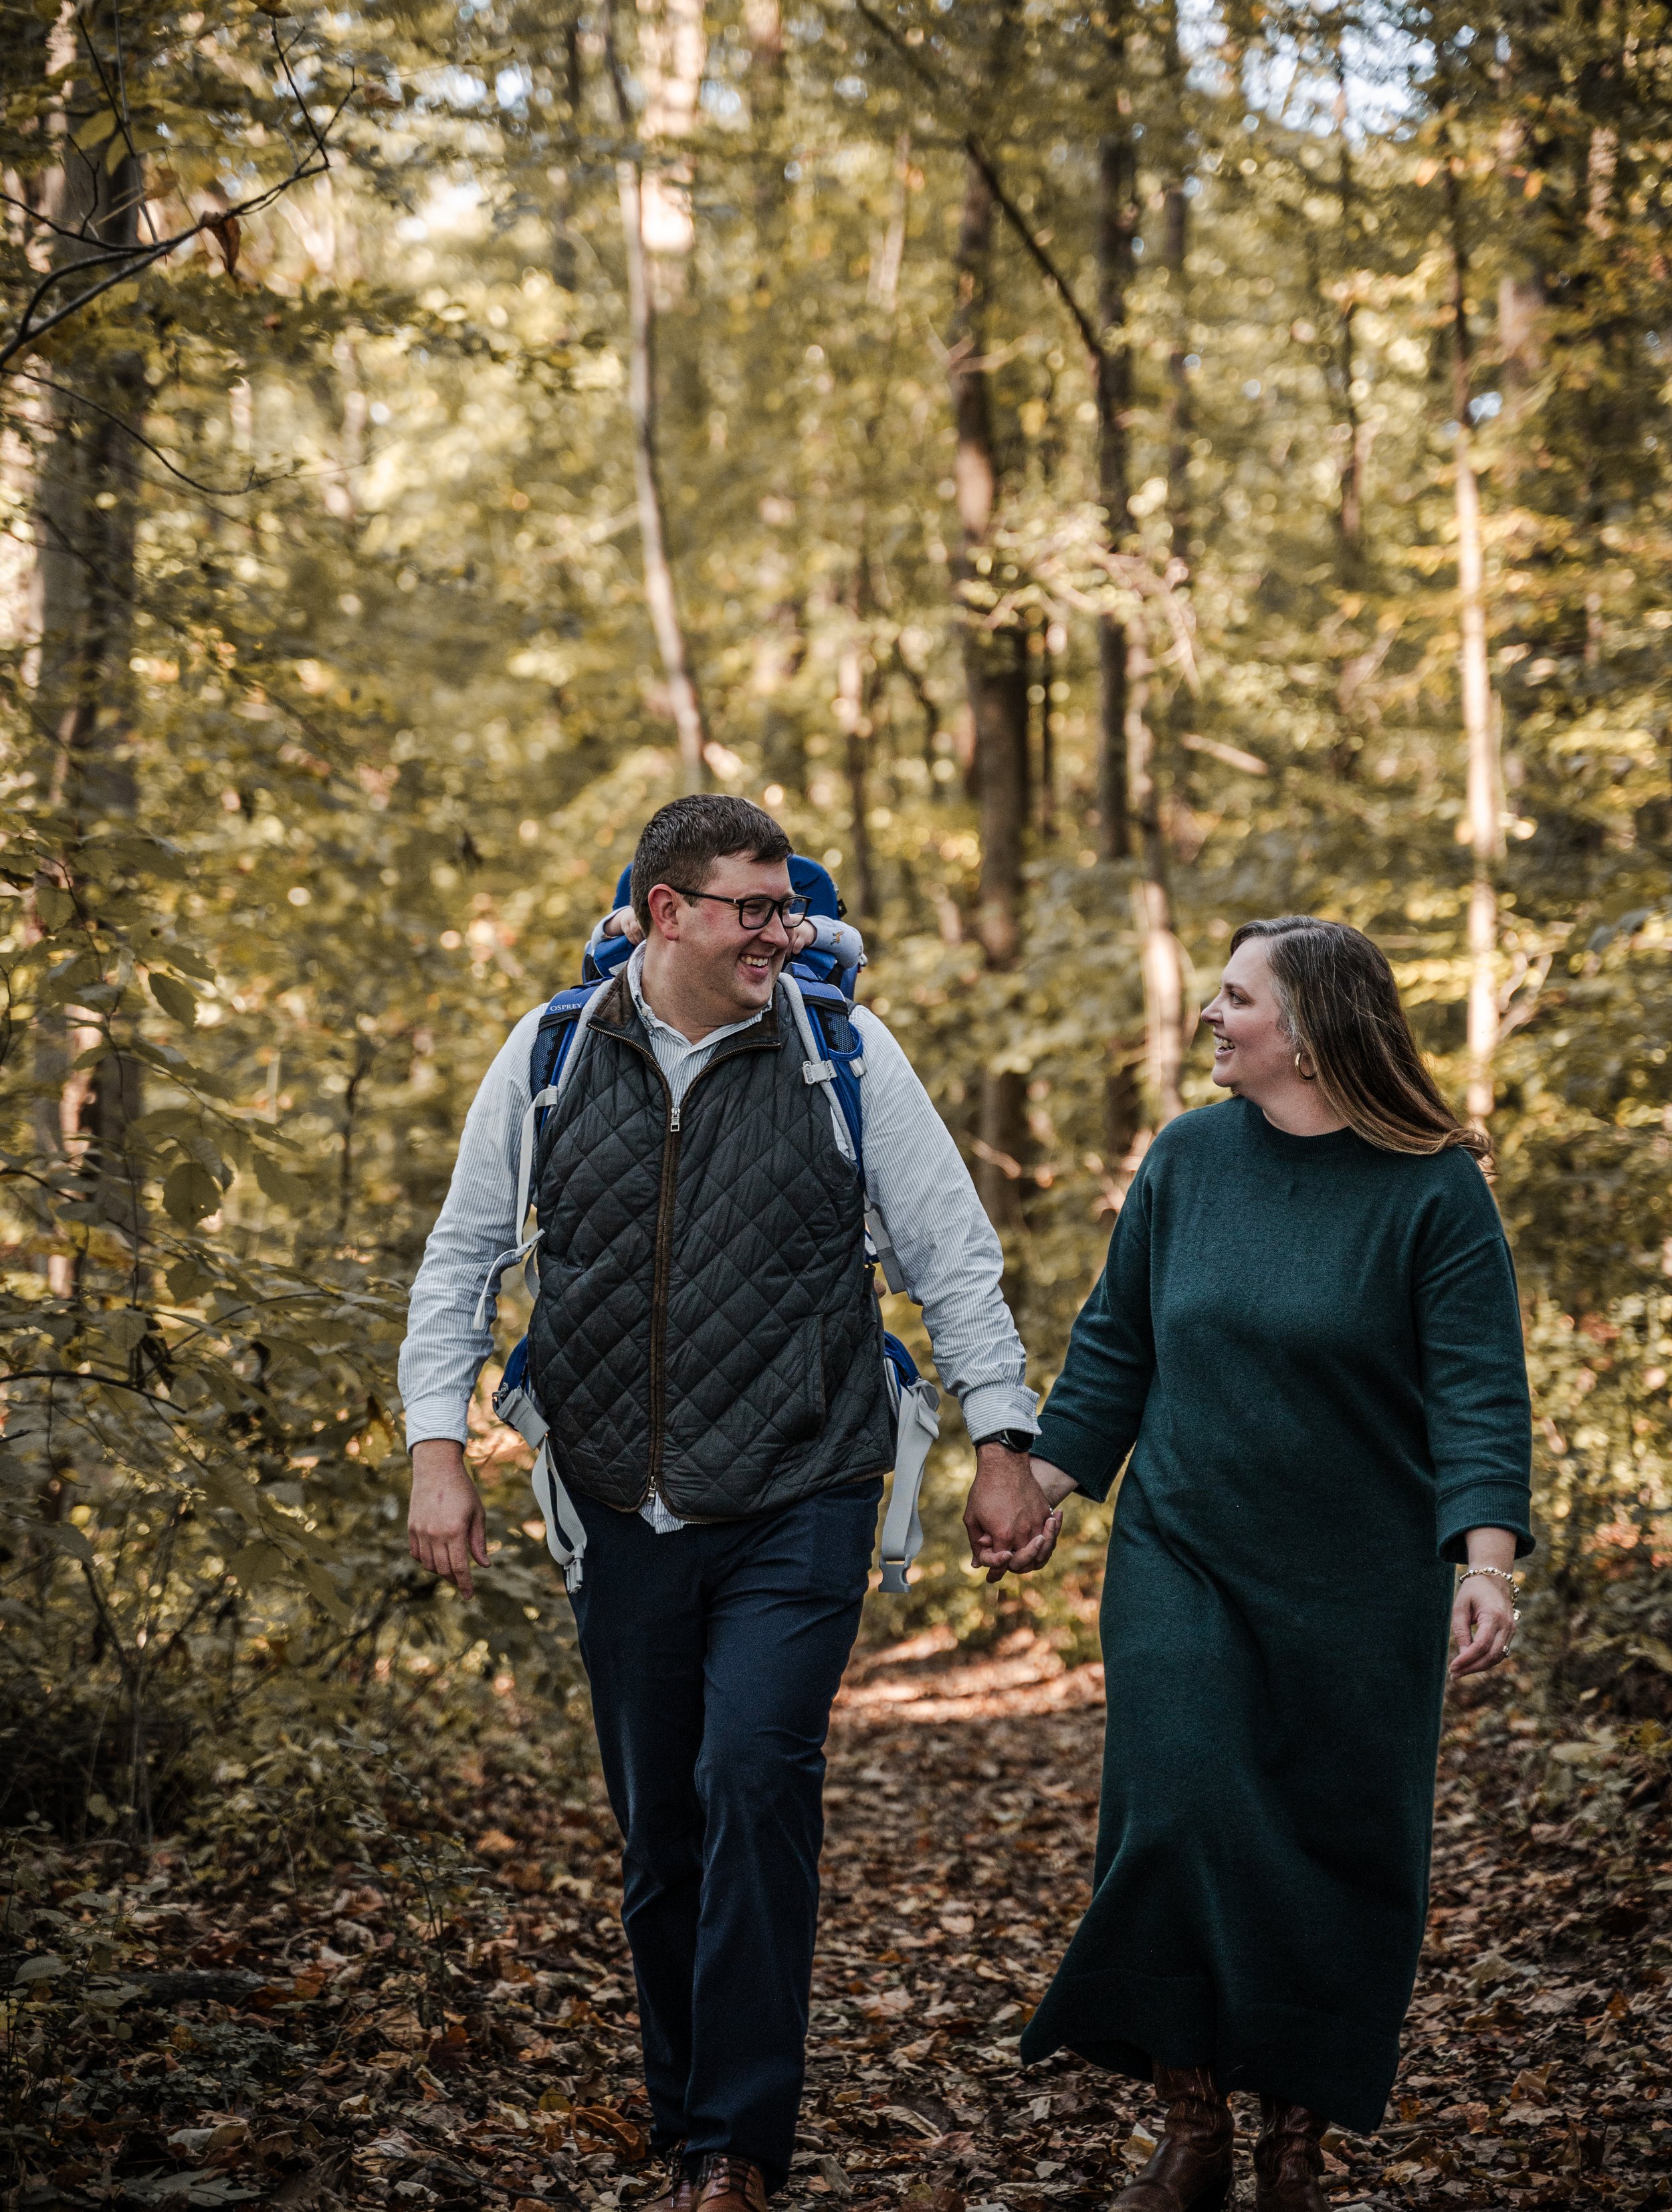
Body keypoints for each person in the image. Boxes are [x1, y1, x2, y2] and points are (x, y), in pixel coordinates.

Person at [399, 795, 1057, 2212]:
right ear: (664, 912)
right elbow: (460, 1256)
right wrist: (433, 1447)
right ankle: (683, 2093)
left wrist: (1003, 1433)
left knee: (753, 1776)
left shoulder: (843, 1051)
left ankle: (736, 2143)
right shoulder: (551, 1055)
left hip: (803, 1476)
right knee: (661, 1826)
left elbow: (952, 1253)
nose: (785, 930)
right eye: (752, 908)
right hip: (615, 1502)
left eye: (788, 906)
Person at [980, 916, 1533, 2212]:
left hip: (1360, 1583)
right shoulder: (1182, 1159)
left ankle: (1293, 2134)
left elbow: (1474, 1392)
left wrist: (1486, 1560)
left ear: (1310, 1026)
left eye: (1233, 999)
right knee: (1171, 1808)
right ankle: (1190, 2121)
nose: (1210, 1018)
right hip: (1183, 1551)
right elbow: (1115, 1346)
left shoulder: (1432, 1189)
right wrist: (1042, 1483)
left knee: (1331, 1844)